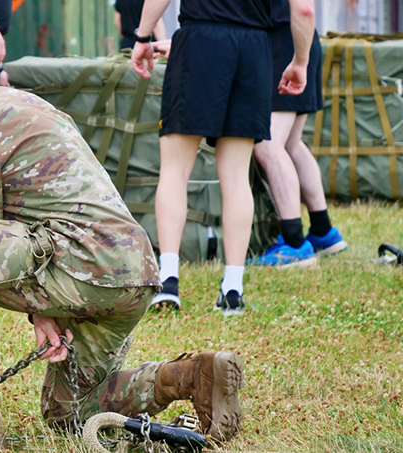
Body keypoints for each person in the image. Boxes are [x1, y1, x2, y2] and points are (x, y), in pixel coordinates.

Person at [0, 20, 245, 451]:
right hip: (132, 268)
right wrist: (43, 311)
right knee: (69, 412)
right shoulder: (17, 102)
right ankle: (190, 376)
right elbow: (17, 229)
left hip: (81, 265)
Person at [131, 0, 316, 315]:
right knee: (236, 176)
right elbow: (305, 10)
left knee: (175, 170)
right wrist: (300, 61)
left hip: (199, 41)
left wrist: (142, 37)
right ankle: (233, 289)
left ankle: (169, 282)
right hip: (255, 48)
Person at [248, 1, 347, 267]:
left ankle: (293, 242)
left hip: (285, 45)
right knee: (291, 143)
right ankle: (323, 231)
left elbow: (304, 8)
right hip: (300, 42)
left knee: (268, 146)